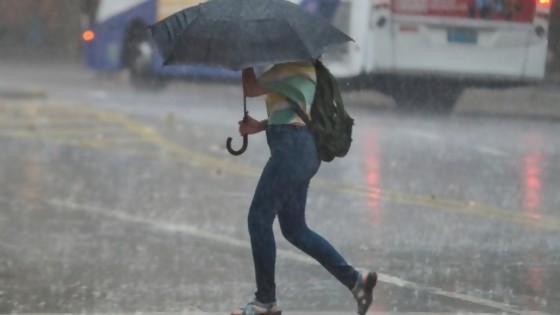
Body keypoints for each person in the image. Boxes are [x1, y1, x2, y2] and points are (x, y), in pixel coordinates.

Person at [231, 60, 377, 315]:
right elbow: (291, 115)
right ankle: (356, 281)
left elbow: (251, 88)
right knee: (295, 229)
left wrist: (245, 60)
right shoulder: (305, 68)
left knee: (259, 218)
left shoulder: (290, 66)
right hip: (302, 149)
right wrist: (259, 126)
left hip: (291, 150)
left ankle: (265, 300)